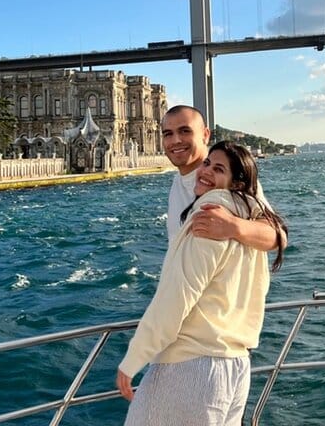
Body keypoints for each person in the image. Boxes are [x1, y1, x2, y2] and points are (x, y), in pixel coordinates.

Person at [116, 140, 287, 425]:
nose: (206, 171)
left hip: (191, 367)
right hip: (235, 367)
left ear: (236, 184)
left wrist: (134, 358)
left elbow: (177, 297)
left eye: (218, 169)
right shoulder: (249, 221)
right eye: (207, 163)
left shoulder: (209, 220)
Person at [160, 105, 287, 250]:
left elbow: (279, 237)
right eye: (168, 134)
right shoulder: (178, 181)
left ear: (205, 135)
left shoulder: (230, 179)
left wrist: (233, 226)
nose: (176, 140)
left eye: (185, 131)